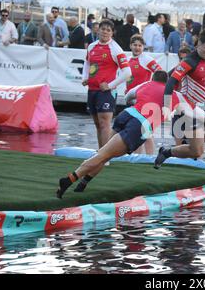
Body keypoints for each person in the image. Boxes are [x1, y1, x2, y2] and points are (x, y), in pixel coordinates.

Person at [56, 70, 180, 199]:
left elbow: (128, 98)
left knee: (104, 154)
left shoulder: (145, 84)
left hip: (127, 114)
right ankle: (69, 179)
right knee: (104, 155)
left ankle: (83, 183)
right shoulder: (173, 95)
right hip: (140, 126)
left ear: (153, 78)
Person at [154, 30, 205, 169]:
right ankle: (167, 152)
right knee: (197, 151)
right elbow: (170, 81)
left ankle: (188, 141)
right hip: (190, 106)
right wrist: (167, 105)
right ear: (198, 45)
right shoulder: (189, 62)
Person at [82, 19, 132, 153]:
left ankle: (105, 156)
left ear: (112, 33)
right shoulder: (92, 46)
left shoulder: (116, 49)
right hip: (92, 90)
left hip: (106, 93)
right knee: (98, 124)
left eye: (108, 30)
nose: (105, 32)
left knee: (105, 124)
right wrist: (85, 77)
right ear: (98, 30)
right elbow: (87, 63)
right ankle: (101, 153)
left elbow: (127, 72)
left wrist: (110, 85)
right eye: (102, 29)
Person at [126, 34, 163, 155]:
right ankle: (138, 157)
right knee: (137, 130)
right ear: (130, 46)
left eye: (140, 45)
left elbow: (160, 72)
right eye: (135, 45)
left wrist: (150, 88)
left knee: (146, 130)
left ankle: (150, 157)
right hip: (132, 100)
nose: (137, 48)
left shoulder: (146, 59)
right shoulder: (128, 59)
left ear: (143, 47)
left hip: (144, 100)